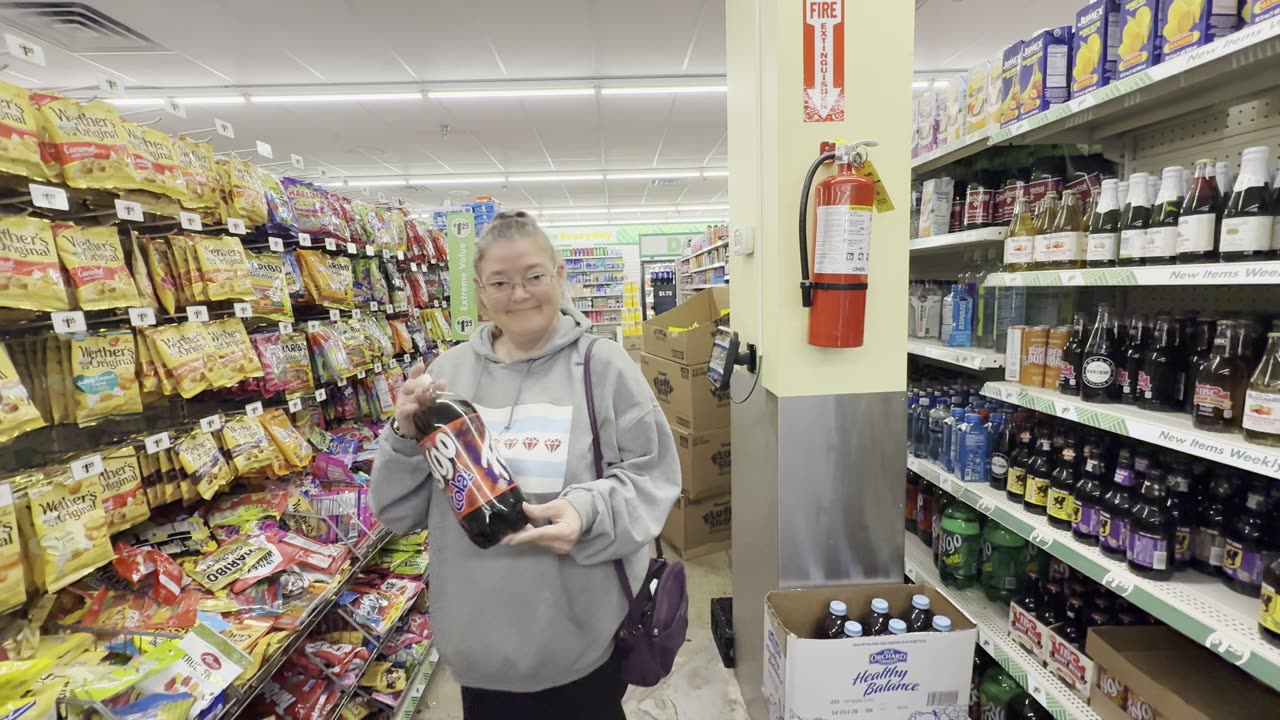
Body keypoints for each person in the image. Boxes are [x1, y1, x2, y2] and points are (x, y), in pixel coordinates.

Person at [370, 211, 681, 720]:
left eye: (534, 276)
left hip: (579, 645)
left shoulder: (603, 367)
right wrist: (404, 436)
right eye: (501, 282)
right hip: (479, 648)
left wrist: (587, 513)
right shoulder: (447, 375)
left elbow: (654, 478)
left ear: (559, 276)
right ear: (479, 290)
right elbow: (396, 511)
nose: (520, 295)